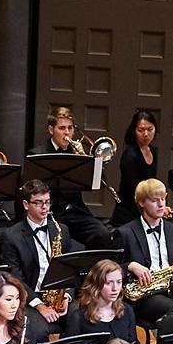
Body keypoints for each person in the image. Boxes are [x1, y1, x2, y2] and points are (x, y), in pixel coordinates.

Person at [0, 179, 83, 323]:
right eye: (38, 202)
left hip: (58, 295)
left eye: (47, 202)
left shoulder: (61, 230)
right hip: (31, 297)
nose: (44, 207)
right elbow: (15, 278)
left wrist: (66, 296)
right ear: (26, 205)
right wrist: (40, 306)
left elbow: (70, 270)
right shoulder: (12, 236)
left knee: (80, 318)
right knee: (38, 328)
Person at [115, 179, 173, 333]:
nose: (161, 205)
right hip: (146, 295)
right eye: (154, 200)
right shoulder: (125, 233)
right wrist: (130, 265)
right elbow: (108, 270)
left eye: (163, 199)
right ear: (141, 203)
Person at [30, 105, 113, 248]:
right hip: (50, 212)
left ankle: (91, 263)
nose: (67, 133)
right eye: (62, 128)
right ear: (51, 130)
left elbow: (98, 183)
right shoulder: (38, 154)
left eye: (70, 128)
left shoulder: (77, 153)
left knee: (102, 234)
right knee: (61, 239)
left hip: (75, 211)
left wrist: (85, 158)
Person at [63, 258, 136, 344]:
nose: (115, 288)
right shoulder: (79, 317)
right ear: (96, 285)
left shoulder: (127, 310)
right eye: (108, 283)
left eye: (119, 282)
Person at [108, 109, 163, 225]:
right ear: (134, 131)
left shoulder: (153, 151)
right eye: (141, 130)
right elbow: (136, 193)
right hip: (132, 210)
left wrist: (160, 206)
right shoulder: (130, 156)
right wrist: (158, 209)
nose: (146, 134)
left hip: (150, 205)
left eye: (150, 129)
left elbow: (152, 185)